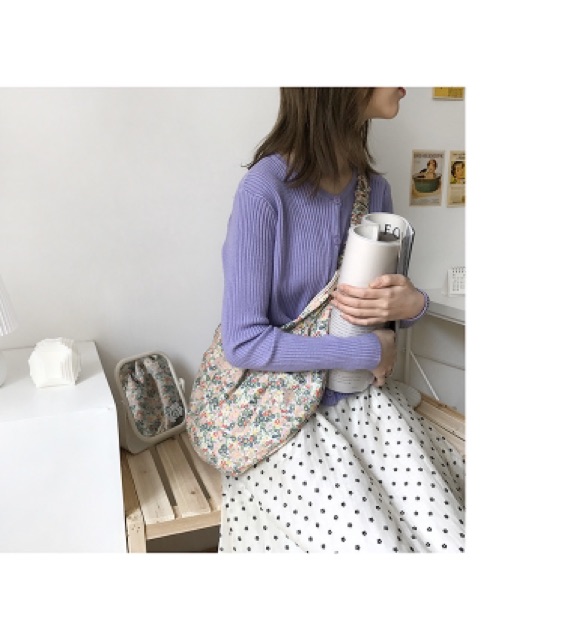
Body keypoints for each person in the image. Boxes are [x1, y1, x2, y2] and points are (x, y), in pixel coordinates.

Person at [218, 88, 465, 552]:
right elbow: (243, 342)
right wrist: (369, 350)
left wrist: (412, 306)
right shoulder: (265, 190)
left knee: (448, 536)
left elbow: (379, 317)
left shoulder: (375, 189)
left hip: (363, 402)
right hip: (284, 415)